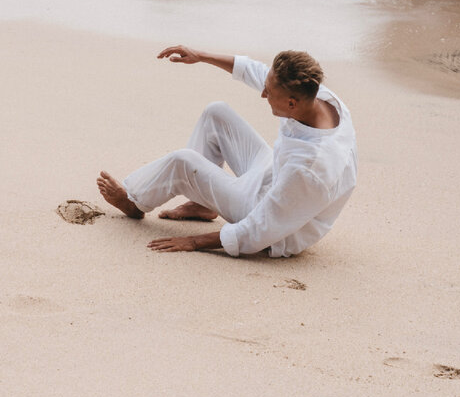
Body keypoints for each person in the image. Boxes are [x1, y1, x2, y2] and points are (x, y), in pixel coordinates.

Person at [97, 44, 357, 256]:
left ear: (291, 103)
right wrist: (201, 56)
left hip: (275, 220)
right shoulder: (317, 96)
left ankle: (134, 203)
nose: (263, 94)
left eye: (269, 92)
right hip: (276, 178)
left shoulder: (310, 167)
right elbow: (256, 71)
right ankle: (201, 206)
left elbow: (261, 230)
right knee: (216, 112)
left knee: (183, 161)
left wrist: (195, 243)